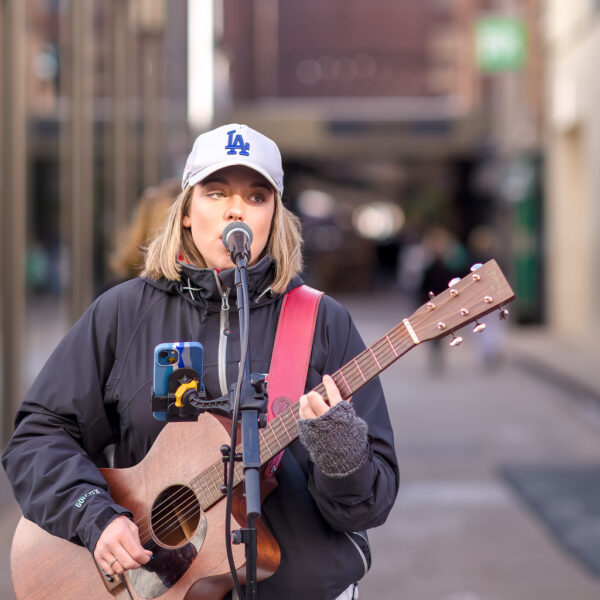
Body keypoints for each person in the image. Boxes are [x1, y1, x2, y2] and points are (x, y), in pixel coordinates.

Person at [2, 124, 399, 599]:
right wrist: (96, 517)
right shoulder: (123, 313)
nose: (236, 209)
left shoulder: (322, 321)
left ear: (274, 217)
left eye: (257, 197)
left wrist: (340, 451)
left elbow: (366, 509)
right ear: (187, 211)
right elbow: (38, 435)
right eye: (216, 192)